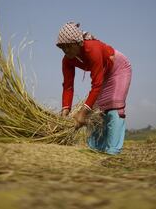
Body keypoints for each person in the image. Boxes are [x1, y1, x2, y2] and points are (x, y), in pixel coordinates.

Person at [56, 21, 132, 154]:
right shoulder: (67, 60)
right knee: (97, 111)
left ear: (78, 43)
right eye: (62, 47)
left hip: (118, 69)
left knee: (114, 105)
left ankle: (112, 151)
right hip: (103, 73)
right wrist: (65, 111)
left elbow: (96, 84)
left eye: (68, 46)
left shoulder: (92, 49)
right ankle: (96, 148)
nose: (66, 50)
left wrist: (82, 113)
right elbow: (68, 87)